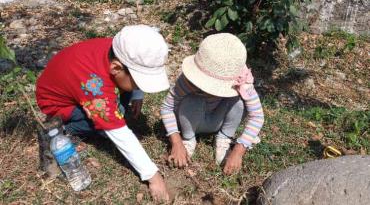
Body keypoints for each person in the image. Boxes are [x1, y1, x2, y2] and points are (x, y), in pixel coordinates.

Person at [36, 25, 170, 201]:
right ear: (115, 68)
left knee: (119, 105)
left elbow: (129, 75)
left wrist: (137, 93)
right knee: (108, 123)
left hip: (78, 86)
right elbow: (118, 132)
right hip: (59, 105)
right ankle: (66, 128)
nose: (140, 87)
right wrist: (153, 177)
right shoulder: (95, 85)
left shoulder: (119, 49)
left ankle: (110, 106)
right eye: (139, 83)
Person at [160, 33, 264, 175]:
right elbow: (167, 107)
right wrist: (176, 142)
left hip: (218, 120)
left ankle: (224, 137)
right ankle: (189, 139)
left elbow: (257, 116)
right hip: (191, 121)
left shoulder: (241, 81)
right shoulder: (189, 81)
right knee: (192, 100)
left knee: (240, 101)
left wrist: (239, 150)